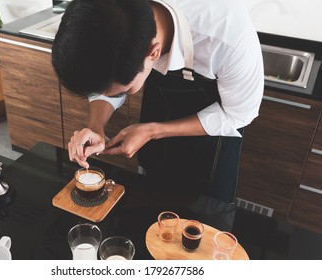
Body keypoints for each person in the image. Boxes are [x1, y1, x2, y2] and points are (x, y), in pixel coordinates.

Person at [52, 0, 264, 227]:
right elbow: (107, 77)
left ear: (153, 52)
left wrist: (153, 131)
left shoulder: (227, 36)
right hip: (156, 144)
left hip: (212, 156)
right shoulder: (115, 13)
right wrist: (96, 126)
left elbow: (238, 114)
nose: (105, 95)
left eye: (123, 89)